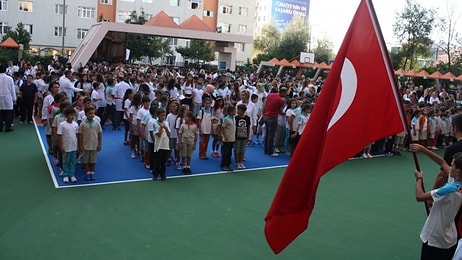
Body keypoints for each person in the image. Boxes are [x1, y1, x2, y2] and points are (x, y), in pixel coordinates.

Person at [414, 152, 462, 259]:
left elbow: (420, 196)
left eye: (452, 165)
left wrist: (419, 179)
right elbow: (442, 162)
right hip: (450, 237)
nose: (450, 167)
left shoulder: (449, 189)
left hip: (435, 238)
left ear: (458, 171)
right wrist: (422, 149)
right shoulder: (457, 183)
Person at [78, 105, 102, 181]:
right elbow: (80, 135)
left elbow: (99, 134)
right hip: (85, 146)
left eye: (93, 113)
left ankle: (92, 172)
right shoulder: (82, 124)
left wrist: (99, 144)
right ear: (85, 114)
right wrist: (80, 145)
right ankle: (87, 172)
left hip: (94, 145)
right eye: (89, 113)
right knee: (85, 160)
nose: (92, 115)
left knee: (93, 160)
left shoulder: (97, 123)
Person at [262, 87, 287, 156]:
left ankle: (266, 150)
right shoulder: (280, 100)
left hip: (266, 116)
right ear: (283, 92)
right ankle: (270, 152)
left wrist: (263, 113)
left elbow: (265, 104)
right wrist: (285, 113)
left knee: (267, 134)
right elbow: (280, 112)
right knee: (271, 135)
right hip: (273, 117)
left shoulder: (270, 95)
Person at [57, 107, 79, 183]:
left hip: (73, 147)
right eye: (70, 115)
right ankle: (65, 175)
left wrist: (78, 146)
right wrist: (61, 146)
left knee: (73, 161)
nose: (72, 117)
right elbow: (59, 136)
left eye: (73, 115)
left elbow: (77, 135)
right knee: (65, 161)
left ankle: (72, 175)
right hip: (66, 147)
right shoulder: (62, 125)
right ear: (66, 115)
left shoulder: (75, 124)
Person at [150, 108, 171, 180]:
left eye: (164, 115)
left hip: (165, 145)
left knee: (163, 161)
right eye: (162, 115)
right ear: (158, 116)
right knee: (157, 161)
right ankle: (155, 174)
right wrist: (161, 128)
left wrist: (165, 127)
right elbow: (158, 135)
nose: (163, 117)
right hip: (158, 145)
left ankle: (163, 174)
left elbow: (169, 134)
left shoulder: (167, 123)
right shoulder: (155, 124)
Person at [0, 63, 16, 132]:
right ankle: (8, 127)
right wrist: (14, 98)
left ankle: (0, 127)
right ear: (6, 70)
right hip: (7, 96)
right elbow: (12, 89)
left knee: (0, 113)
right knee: (9, 112)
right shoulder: (9, 78)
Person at [235, 104, 250, 169]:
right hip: (237, 137)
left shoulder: (247, 118)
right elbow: (234, 128)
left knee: (242, 150)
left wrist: (248, 137)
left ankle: (241, 162)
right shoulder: (236, 118)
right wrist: (234, 137)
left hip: (244, 136)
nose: (237, 111)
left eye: (239, 110)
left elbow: (248, 127)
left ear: (243, 111)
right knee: (237, 150)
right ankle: (237, 162)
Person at [221, 105, 236, 172]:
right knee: (225, 153)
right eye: (234, 110)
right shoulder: (226, 119)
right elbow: (223, 128)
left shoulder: (234, 118)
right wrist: (225, 137)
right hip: (227, 139)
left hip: (232, 138)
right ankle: (223, 165)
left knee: (229, 152)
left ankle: (228, 164)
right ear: (230, 111)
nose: (235, 112)